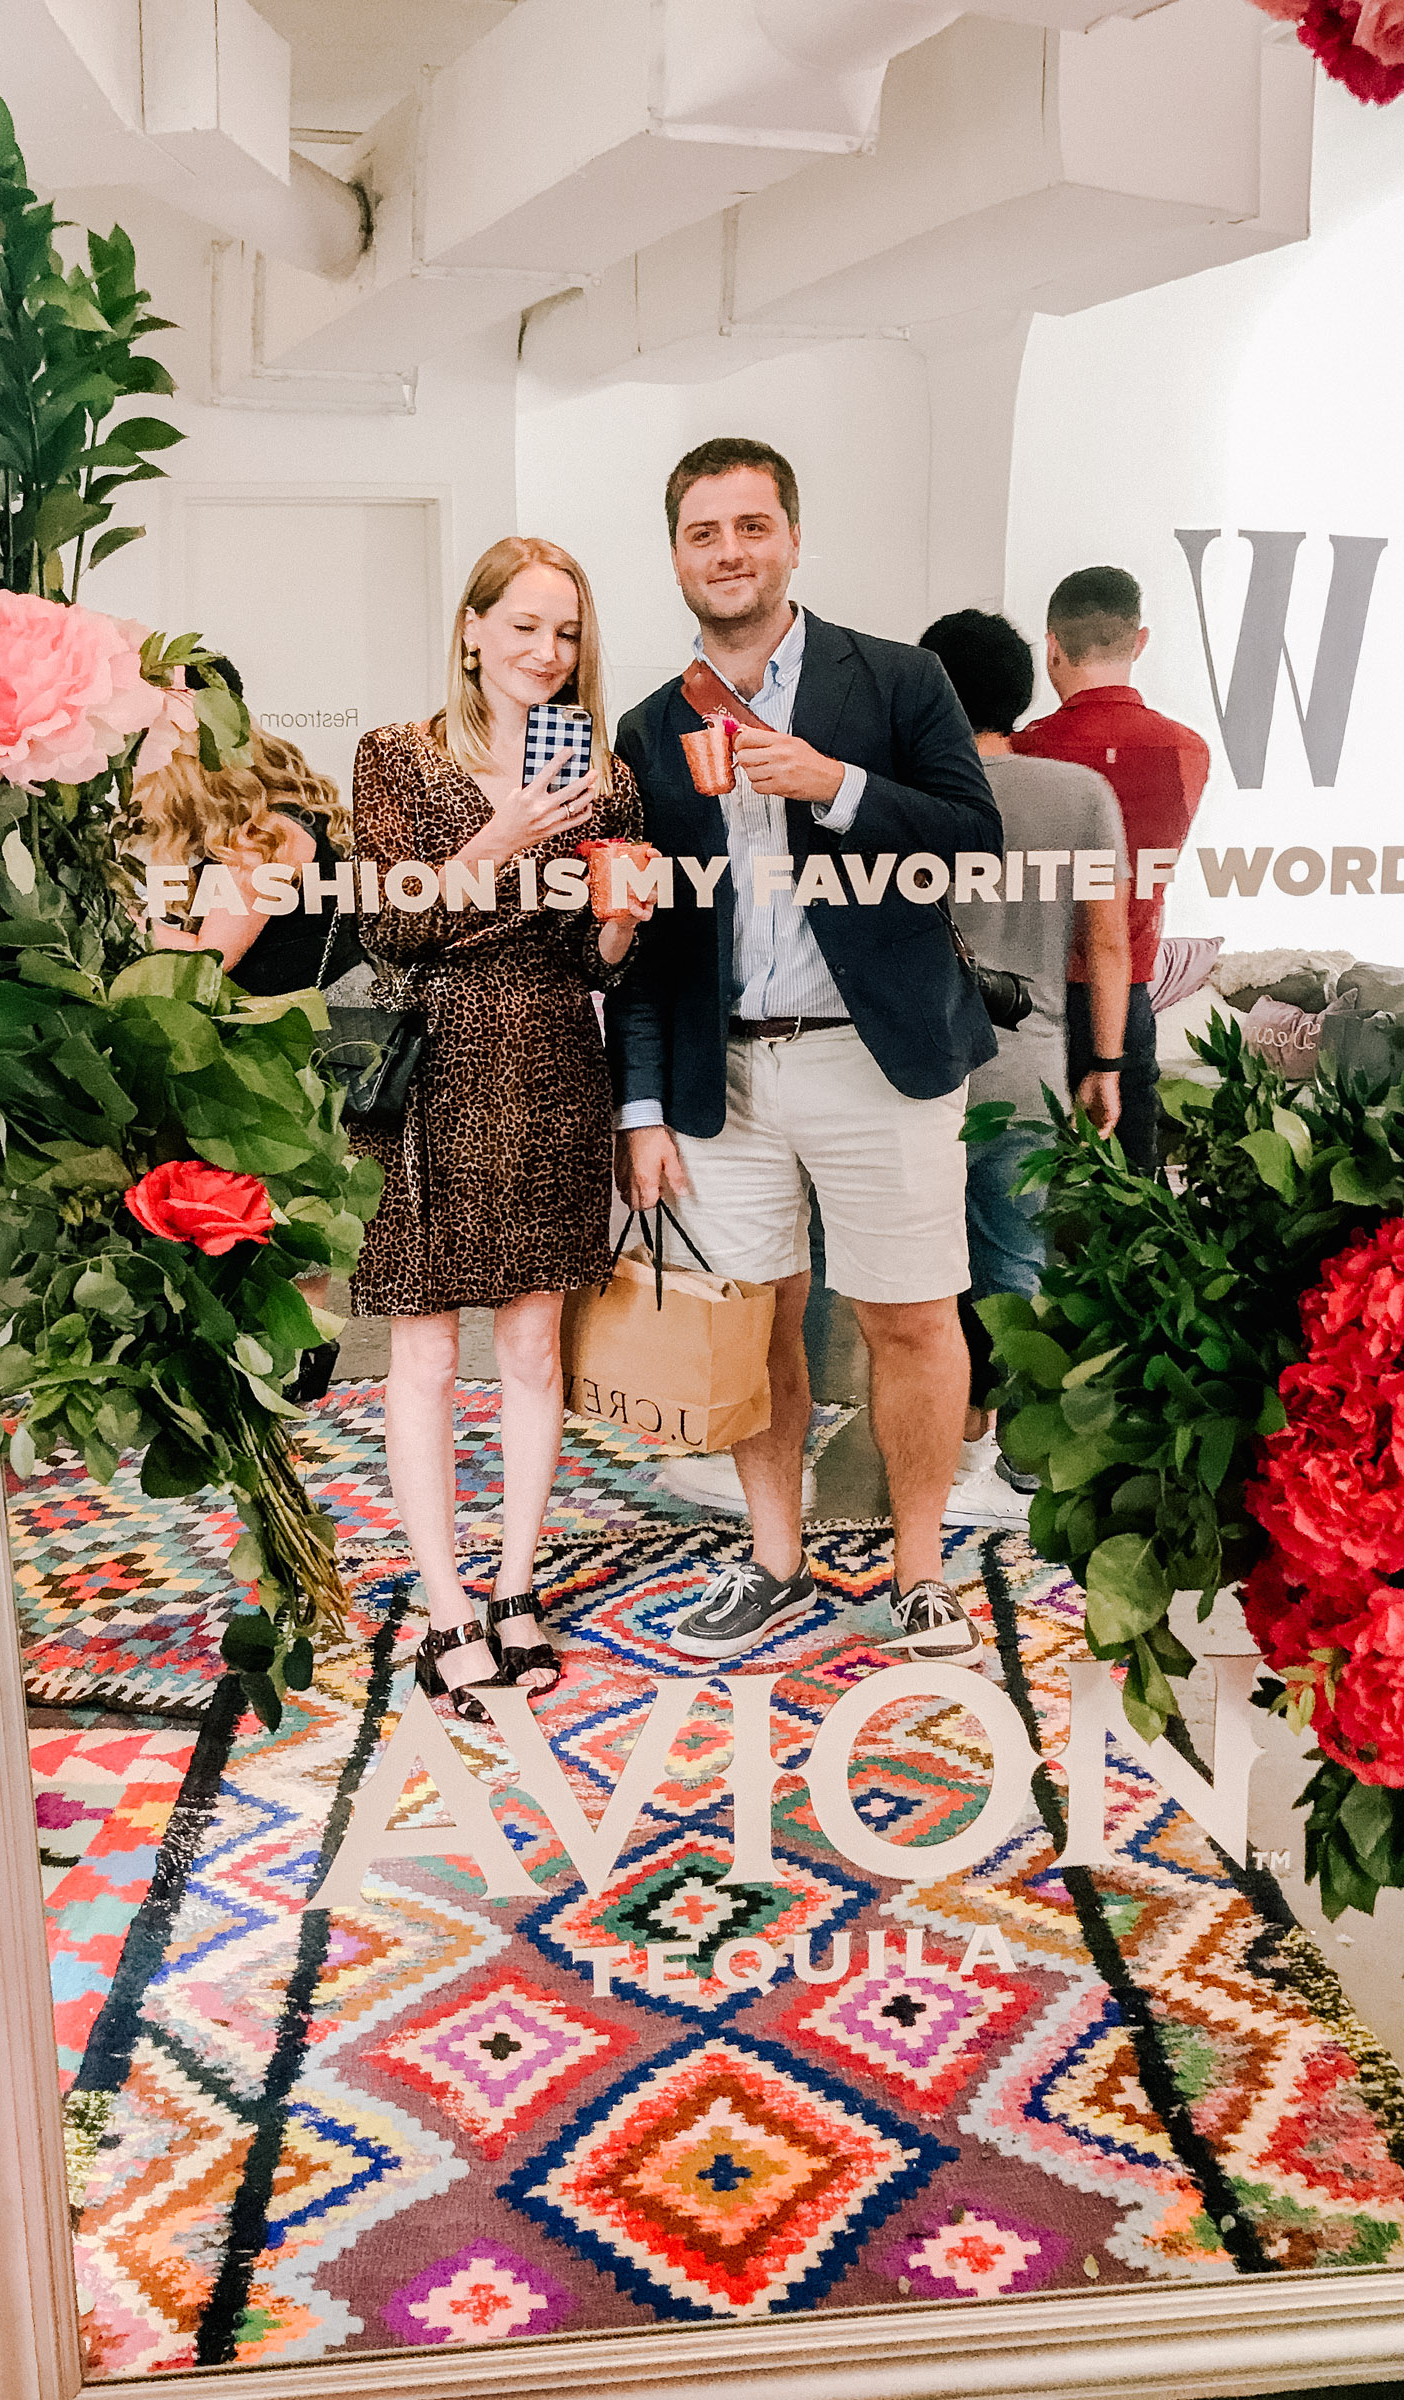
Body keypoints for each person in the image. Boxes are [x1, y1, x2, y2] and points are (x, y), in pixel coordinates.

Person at [609, 435, 1002, 1666]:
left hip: (869, 1056)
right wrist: (641, 1104)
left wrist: (835, 784)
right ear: (676, 554)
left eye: (752, 526)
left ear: (791, 537)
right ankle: (773, 1557)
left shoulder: (893, 681)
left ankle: (922, 1566)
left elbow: (975, 843)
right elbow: (657, 936)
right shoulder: (646, 721)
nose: (730, 551)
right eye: (704, 532)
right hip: (719, 1070)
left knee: (910, 1318)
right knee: (752, 1325)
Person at [348, 537, 652, 1723]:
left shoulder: (606, 782)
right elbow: (391, 929)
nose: (546, 653)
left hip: (551, 1065)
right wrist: (500, 842)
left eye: (567, 632)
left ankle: (516, 1588)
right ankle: (444, 1608)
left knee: (534, 1354)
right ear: (471, 629)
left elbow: (595, 960)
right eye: (523, 626)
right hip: (430, 1069)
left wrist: (621, 920)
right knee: (423, 1359)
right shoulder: (398, 759)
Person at [917, 610, 1130, 1527]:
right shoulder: (1080, 794)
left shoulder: (900, 791)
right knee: (1019, 1261)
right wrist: (1106, 1063)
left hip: (915, 1073)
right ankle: (1026, 1458)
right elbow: (1109, 947)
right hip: (1034, 1065)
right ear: (1026, 689)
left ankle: (940, 1443)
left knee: (921, 1271)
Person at [132, 728, 357, 1399]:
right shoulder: (298, 826)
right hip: (299, 1058)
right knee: (290, 1231)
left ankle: (289, 1394)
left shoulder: (264, 839)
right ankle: (293, 1391)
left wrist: (147, 911)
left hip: (279, 1065)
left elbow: (205, 965)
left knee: (281, 1234)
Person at [1011, 567, 1210, 1174]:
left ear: (1051, 645)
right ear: (1139, 641)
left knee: (1026, 1186)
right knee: (1130, 1198)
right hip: (1127, 996)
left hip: (1031, 991)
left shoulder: (1026, 750)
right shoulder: (1189, 749)